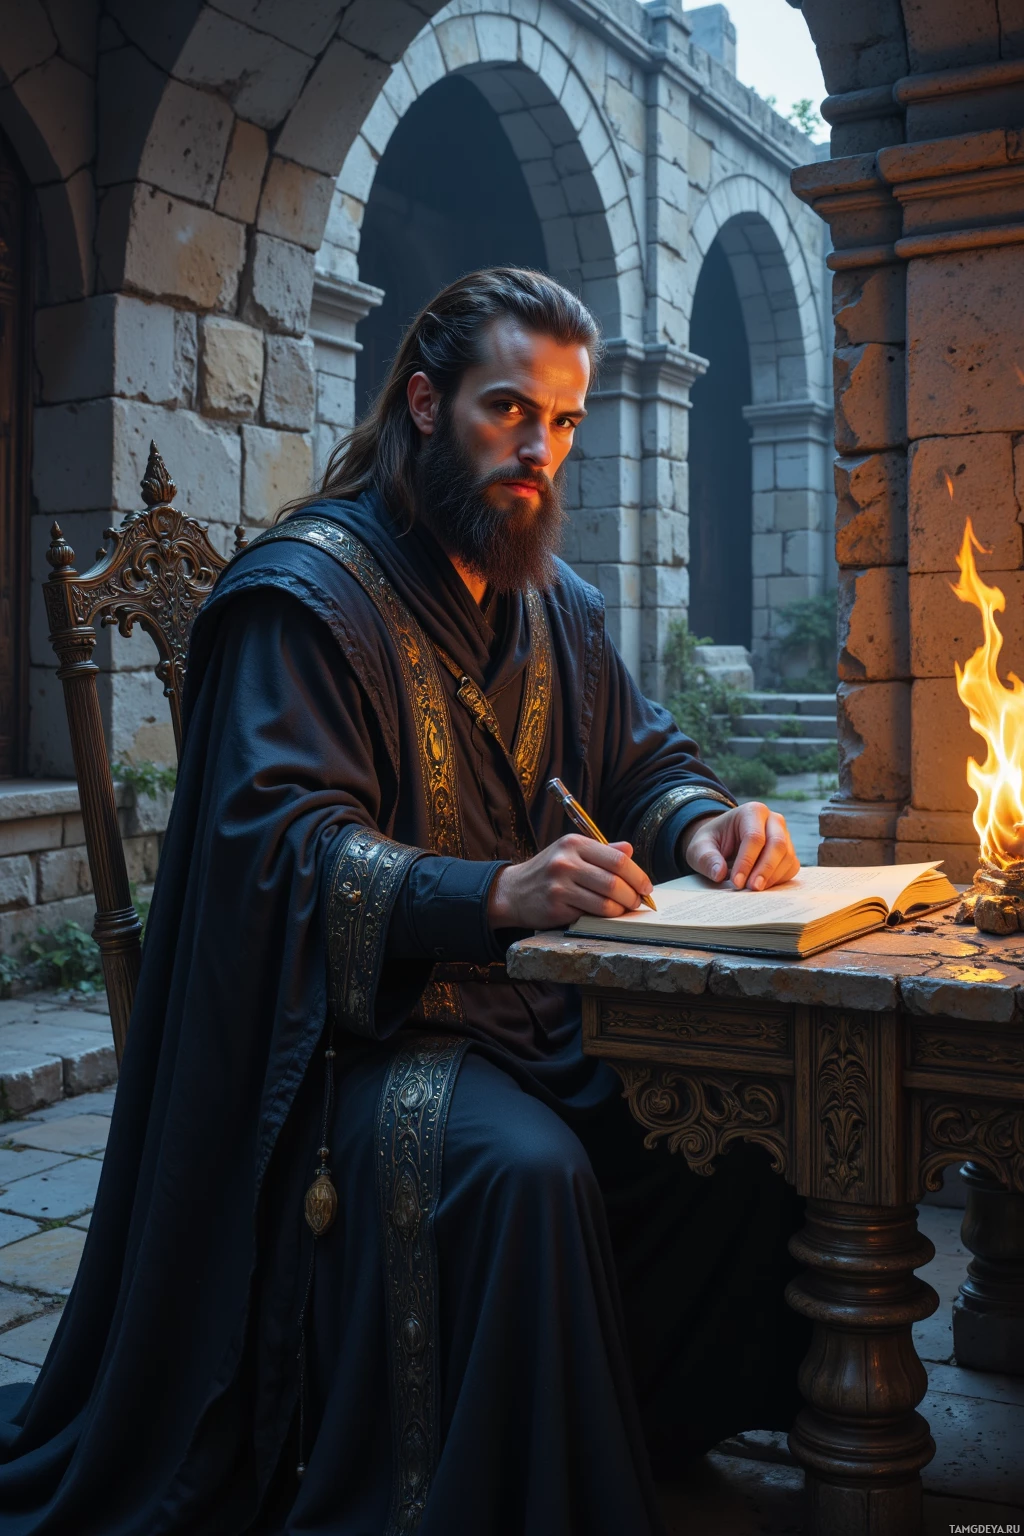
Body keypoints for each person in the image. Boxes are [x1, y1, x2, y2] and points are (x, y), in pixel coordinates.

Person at [0, 268, 807, 1535]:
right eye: (508, 409)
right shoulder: (301, 601)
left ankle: (621, 1426)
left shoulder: (554, 603)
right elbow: (284, 857)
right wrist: (496, 892)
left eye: (564, 421)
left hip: (532, 1019)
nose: (539, 450)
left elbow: (643, 760)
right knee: (523, 1174)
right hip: (348, 1051)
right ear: (426, 404)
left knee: (755, 1129)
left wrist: (707, 821)